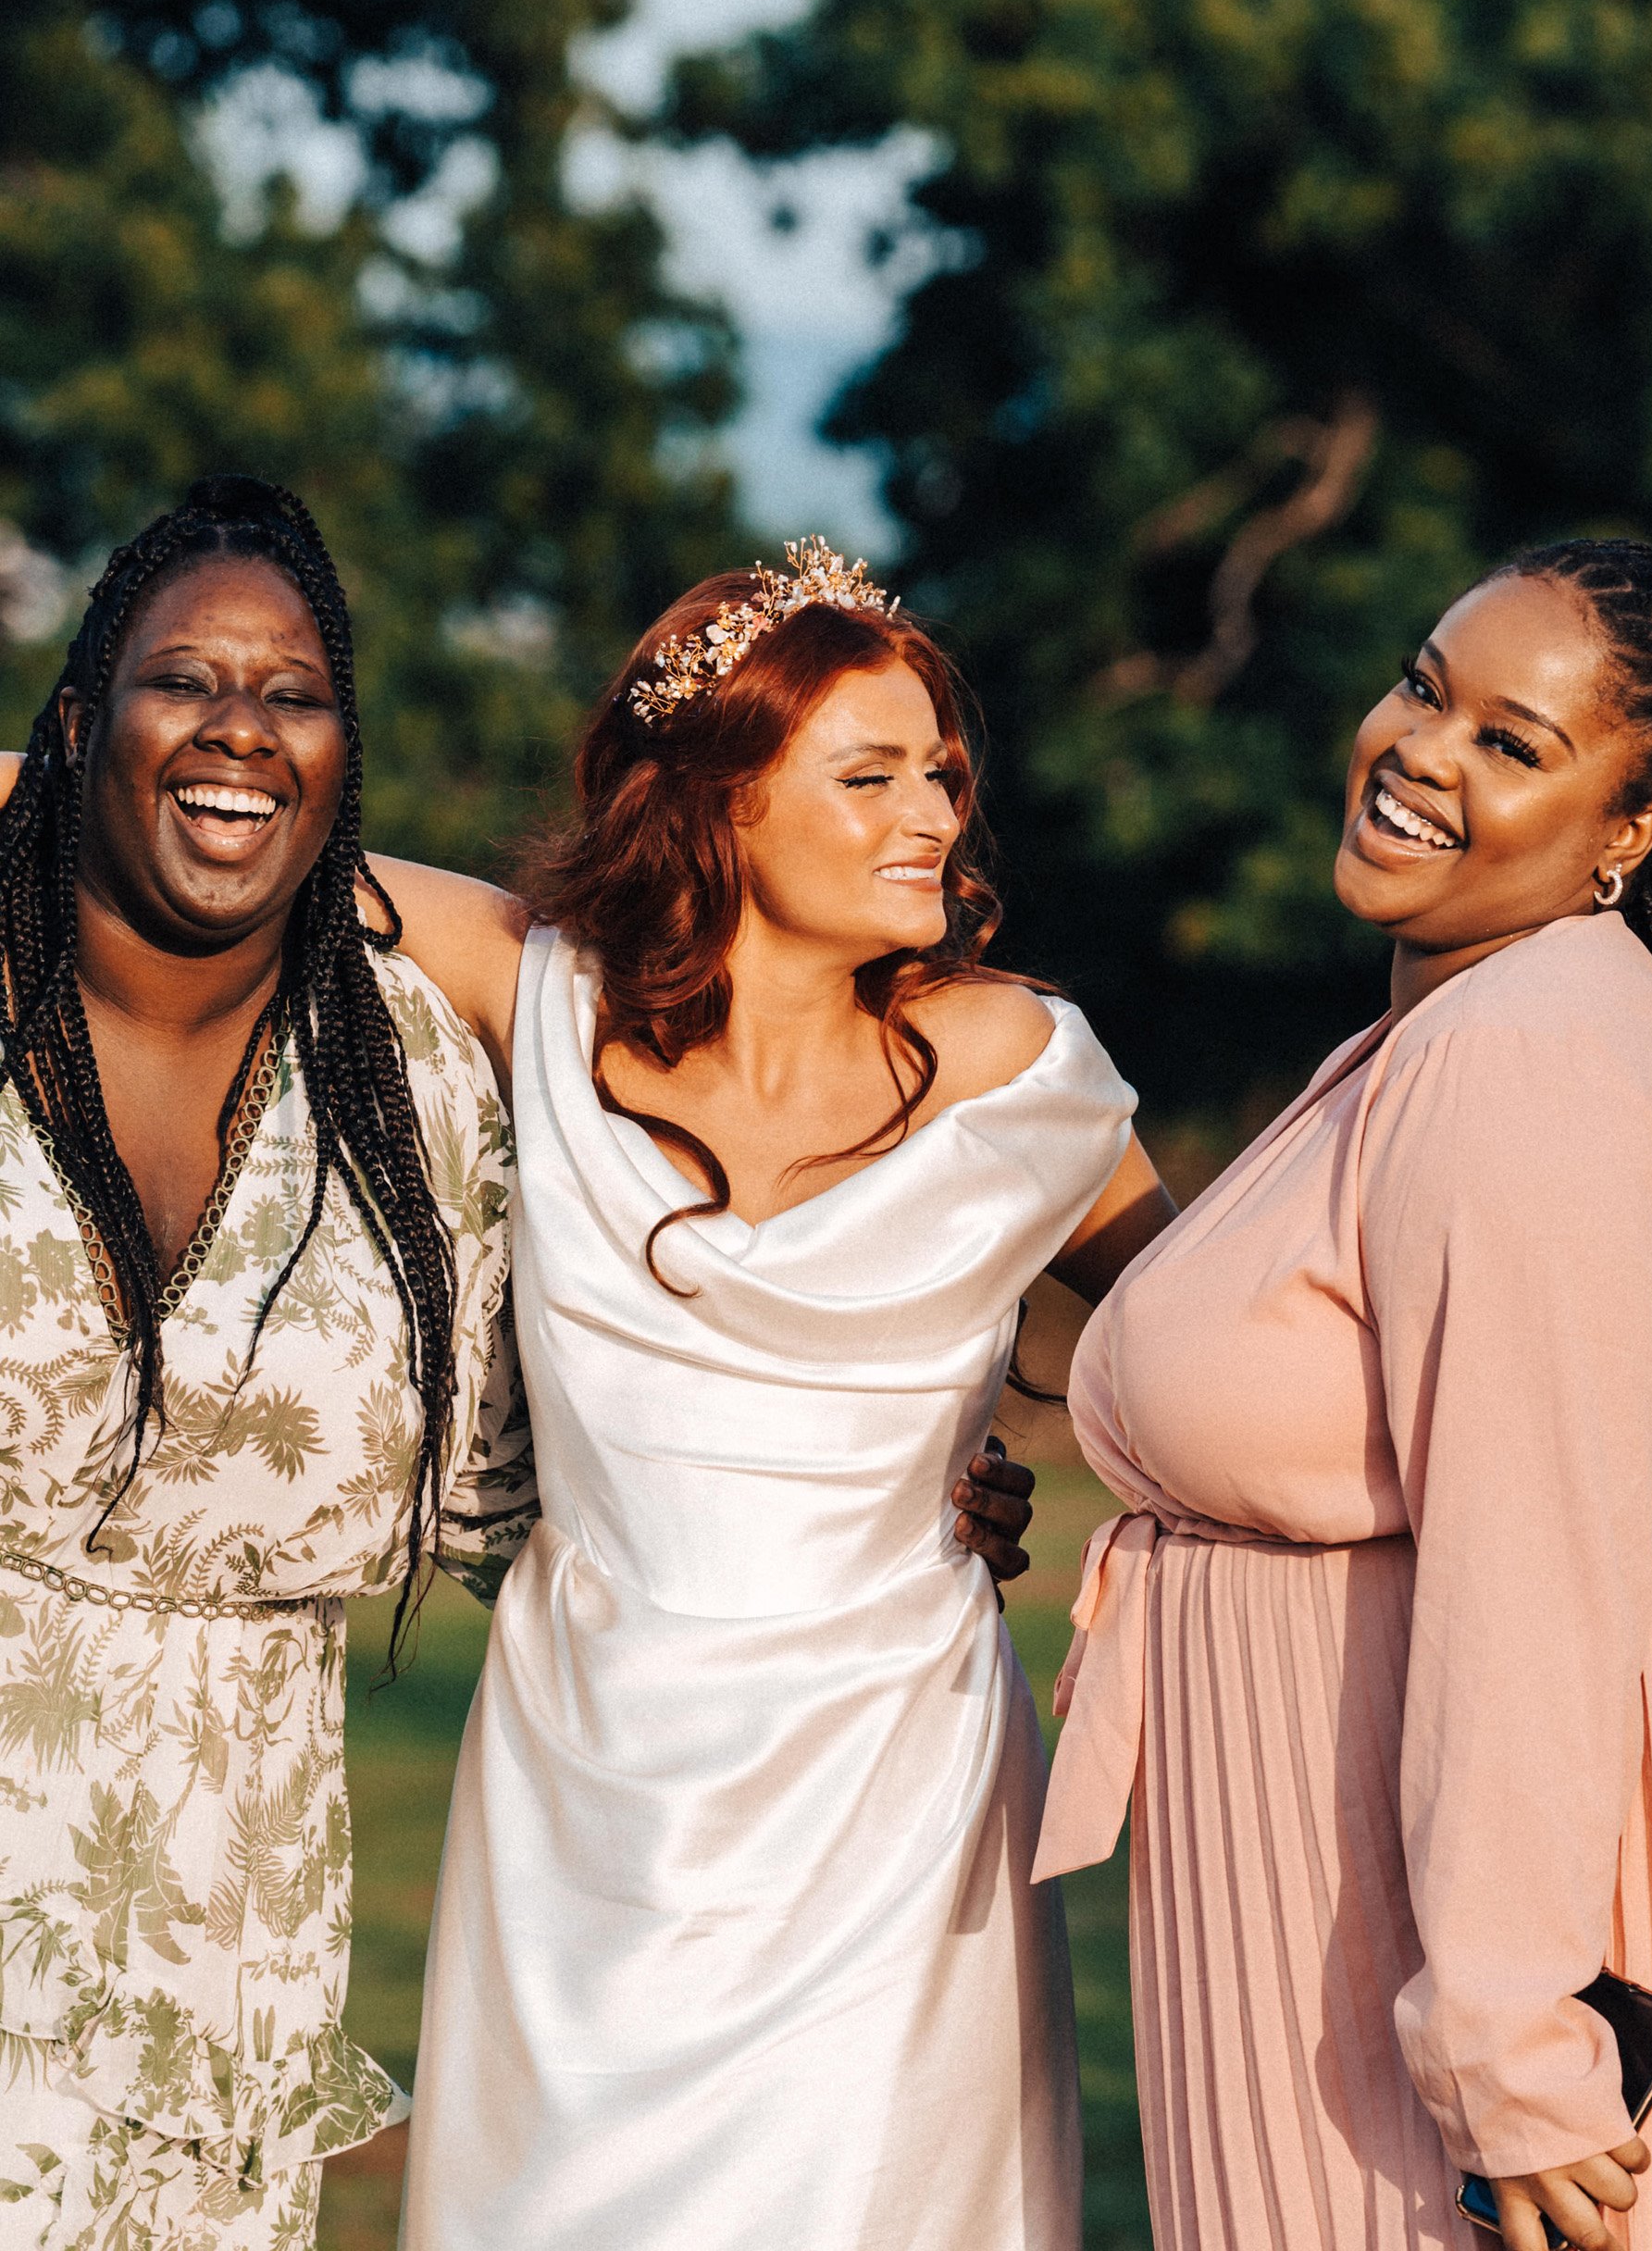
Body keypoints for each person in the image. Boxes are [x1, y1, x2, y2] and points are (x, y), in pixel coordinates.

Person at [374, 541, 1174, 2250]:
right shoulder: (540, 998)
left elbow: (1227, 1349)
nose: (933, 817)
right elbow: (219, 837)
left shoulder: (1024, 1072)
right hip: (591, 1786)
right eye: (870, 775)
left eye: (942, 775)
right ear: (718, 804)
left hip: (896, 1795)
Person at [1036, 539, 1652, 2251]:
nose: (1423, 751)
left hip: (1431, 1938)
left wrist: (1511, 2043)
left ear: (1631, 833)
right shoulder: (1449, 1030)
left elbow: (1540, 1574)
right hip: (1319, 1898)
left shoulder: (1530, 1063)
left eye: (1515, 744)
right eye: (1426, 686)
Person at [0, 479, 536, 2251]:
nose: (241, 726)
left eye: (293, 694)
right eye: (185, 681)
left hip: (225, 1980)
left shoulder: (414, 1088)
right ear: (80, 724)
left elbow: (588, 1455)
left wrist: (917, 1478)